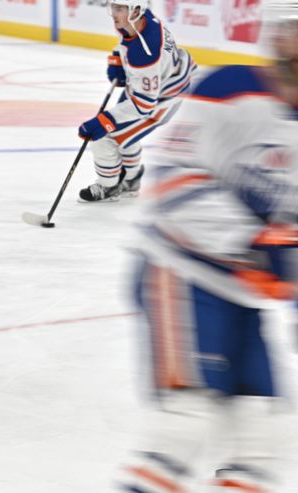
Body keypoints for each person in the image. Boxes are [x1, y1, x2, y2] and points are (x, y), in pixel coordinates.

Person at [114, 2, 298, 490]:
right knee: (184, 424)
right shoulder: (230, 88)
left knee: (260, 434)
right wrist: (254, 242)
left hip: (241, 293)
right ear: (276, 35)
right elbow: (174, 184)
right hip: (179, 272)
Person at [76, 0, 196, 202]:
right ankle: (131, 179)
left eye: (120, 8)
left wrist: (105, 121)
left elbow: (144, 105)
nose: (114, 13)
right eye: (113, 6)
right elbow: (127, 40)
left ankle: (109, 186)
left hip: (162, 99)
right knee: (122, 134)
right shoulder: (142, 20)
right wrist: (118, 58)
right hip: (160, 82)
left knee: (104, 137)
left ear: (136, 10)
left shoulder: (145, 53)